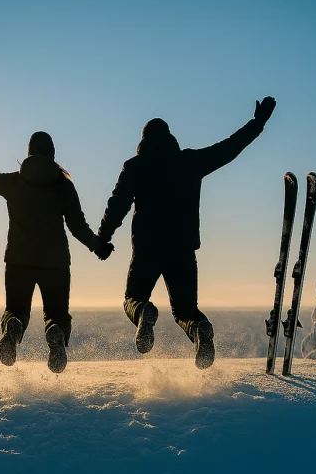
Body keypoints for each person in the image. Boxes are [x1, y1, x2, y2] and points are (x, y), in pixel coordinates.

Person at [97, 97, 277, 369]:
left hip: (147, 249)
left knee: (133, 299)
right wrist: (257, 122)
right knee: (185, 311)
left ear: (143, 140)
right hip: (182, 250)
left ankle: (144, 312)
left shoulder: (135, 166)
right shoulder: (191, 161)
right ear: (170, 138)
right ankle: (200, 329)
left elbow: (117, 204)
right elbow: (229, 148)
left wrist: (103, 237)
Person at [0, 128, 113, 373]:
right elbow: (77, 226)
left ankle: (14, 327)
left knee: (16, 310)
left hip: (19, 260)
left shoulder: (14, 183)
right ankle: (55, 332)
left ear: (29, 153)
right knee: (56, 314)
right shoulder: (63, 186)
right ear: (52, 154)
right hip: (56, 263)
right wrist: (98, 246)